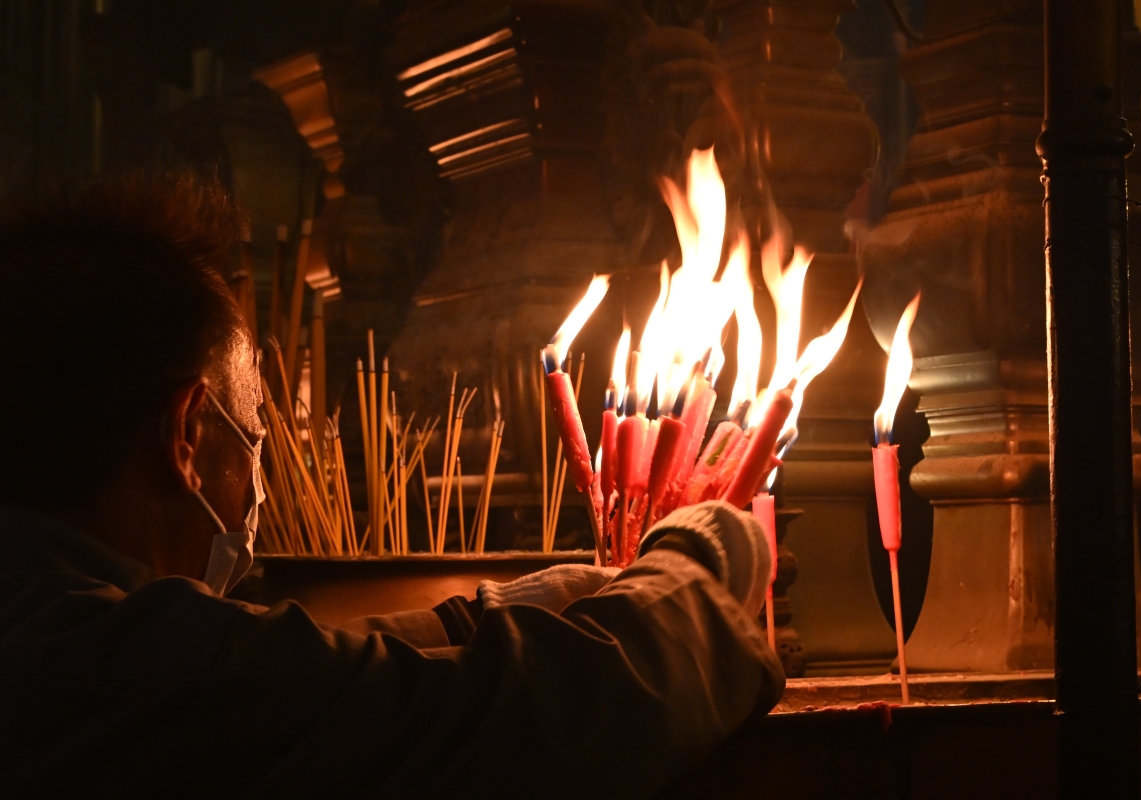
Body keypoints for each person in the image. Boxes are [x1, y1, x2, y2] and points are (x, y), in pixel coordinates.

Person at [0, 174, 783, 798]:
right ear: (186, 436)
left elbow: (311, 671)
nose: (258, 478)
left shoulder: (55, 617)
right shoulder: (135, 674)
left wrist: (491, 613)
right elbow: (536, 715)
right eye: (254, 438)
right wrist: (696, 560)